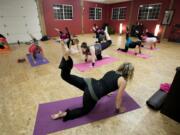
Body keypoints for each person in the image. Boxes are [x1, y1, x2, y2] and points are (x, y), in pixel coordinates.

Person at [51, 40, 134, 121]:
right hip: (93, 93)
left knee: (66, 76)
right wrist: (118, 109)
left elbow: (106, 81)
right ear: (129, 73)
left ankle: (66, 58)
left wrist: (107, 91)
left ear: (121, 67)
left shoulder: (112, 71)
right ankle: (64, 114)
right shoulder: (123, 81)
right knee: (84, 111)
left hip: (89, 82)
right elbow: (118, 99)